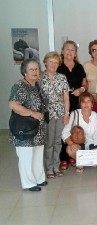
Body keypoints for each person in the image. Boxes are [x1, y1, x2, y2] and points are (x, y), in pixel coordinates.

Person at [8, 59, 47, 192]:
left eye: (37, 69)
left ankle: (38, 178)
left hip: (38, 128)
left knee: (37, 154)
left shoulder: (37, 84)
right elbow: (13, 105)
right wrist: (32, 113)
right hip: (24, 128)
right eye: (32, 69)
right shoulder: (19, 86)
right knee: (26, 156)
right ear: (24, 72)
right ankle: (28, 183)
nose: (36, 72)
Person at [57, 40, 88, 170]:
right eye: (67, 49)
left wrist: (80, 90)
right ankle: (63, 157)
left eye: (72, 50)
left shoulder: (79, 67)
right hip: (61, 104)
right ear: (63, 51)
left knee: (74, 130)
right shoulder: (58, 67)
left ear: (75, 53)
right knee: (62, 130)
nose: (70, 52)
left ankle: (72, 155)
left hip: (76, 104)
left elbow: (85, 84)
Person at [39, 51, 70, 179]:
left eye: (56, 62)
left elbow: (66, 98)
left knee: (58, 141)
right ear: (45, 62)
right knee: (49, 142)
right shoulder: (39, 77)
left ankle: (56, 167)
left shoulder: (62, 77)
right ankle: (49, 168)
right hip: (46, 114)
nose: (53, 64)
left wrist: (66, 113)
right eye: (51, 62)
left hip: (60, 112)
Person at [61, 92, 97, 172]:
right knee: (70, 150)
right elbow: (65, 132)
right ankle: (80, 161)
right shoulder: (74, 114)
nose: (86, 104)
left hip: (91, 143)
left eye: (88, 101)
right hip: (78, 144)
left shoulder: (96, 117)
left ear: (92, 104)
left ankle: (84, 160)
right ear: (80, 104)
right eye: (83, 101)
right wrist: (71, 144)